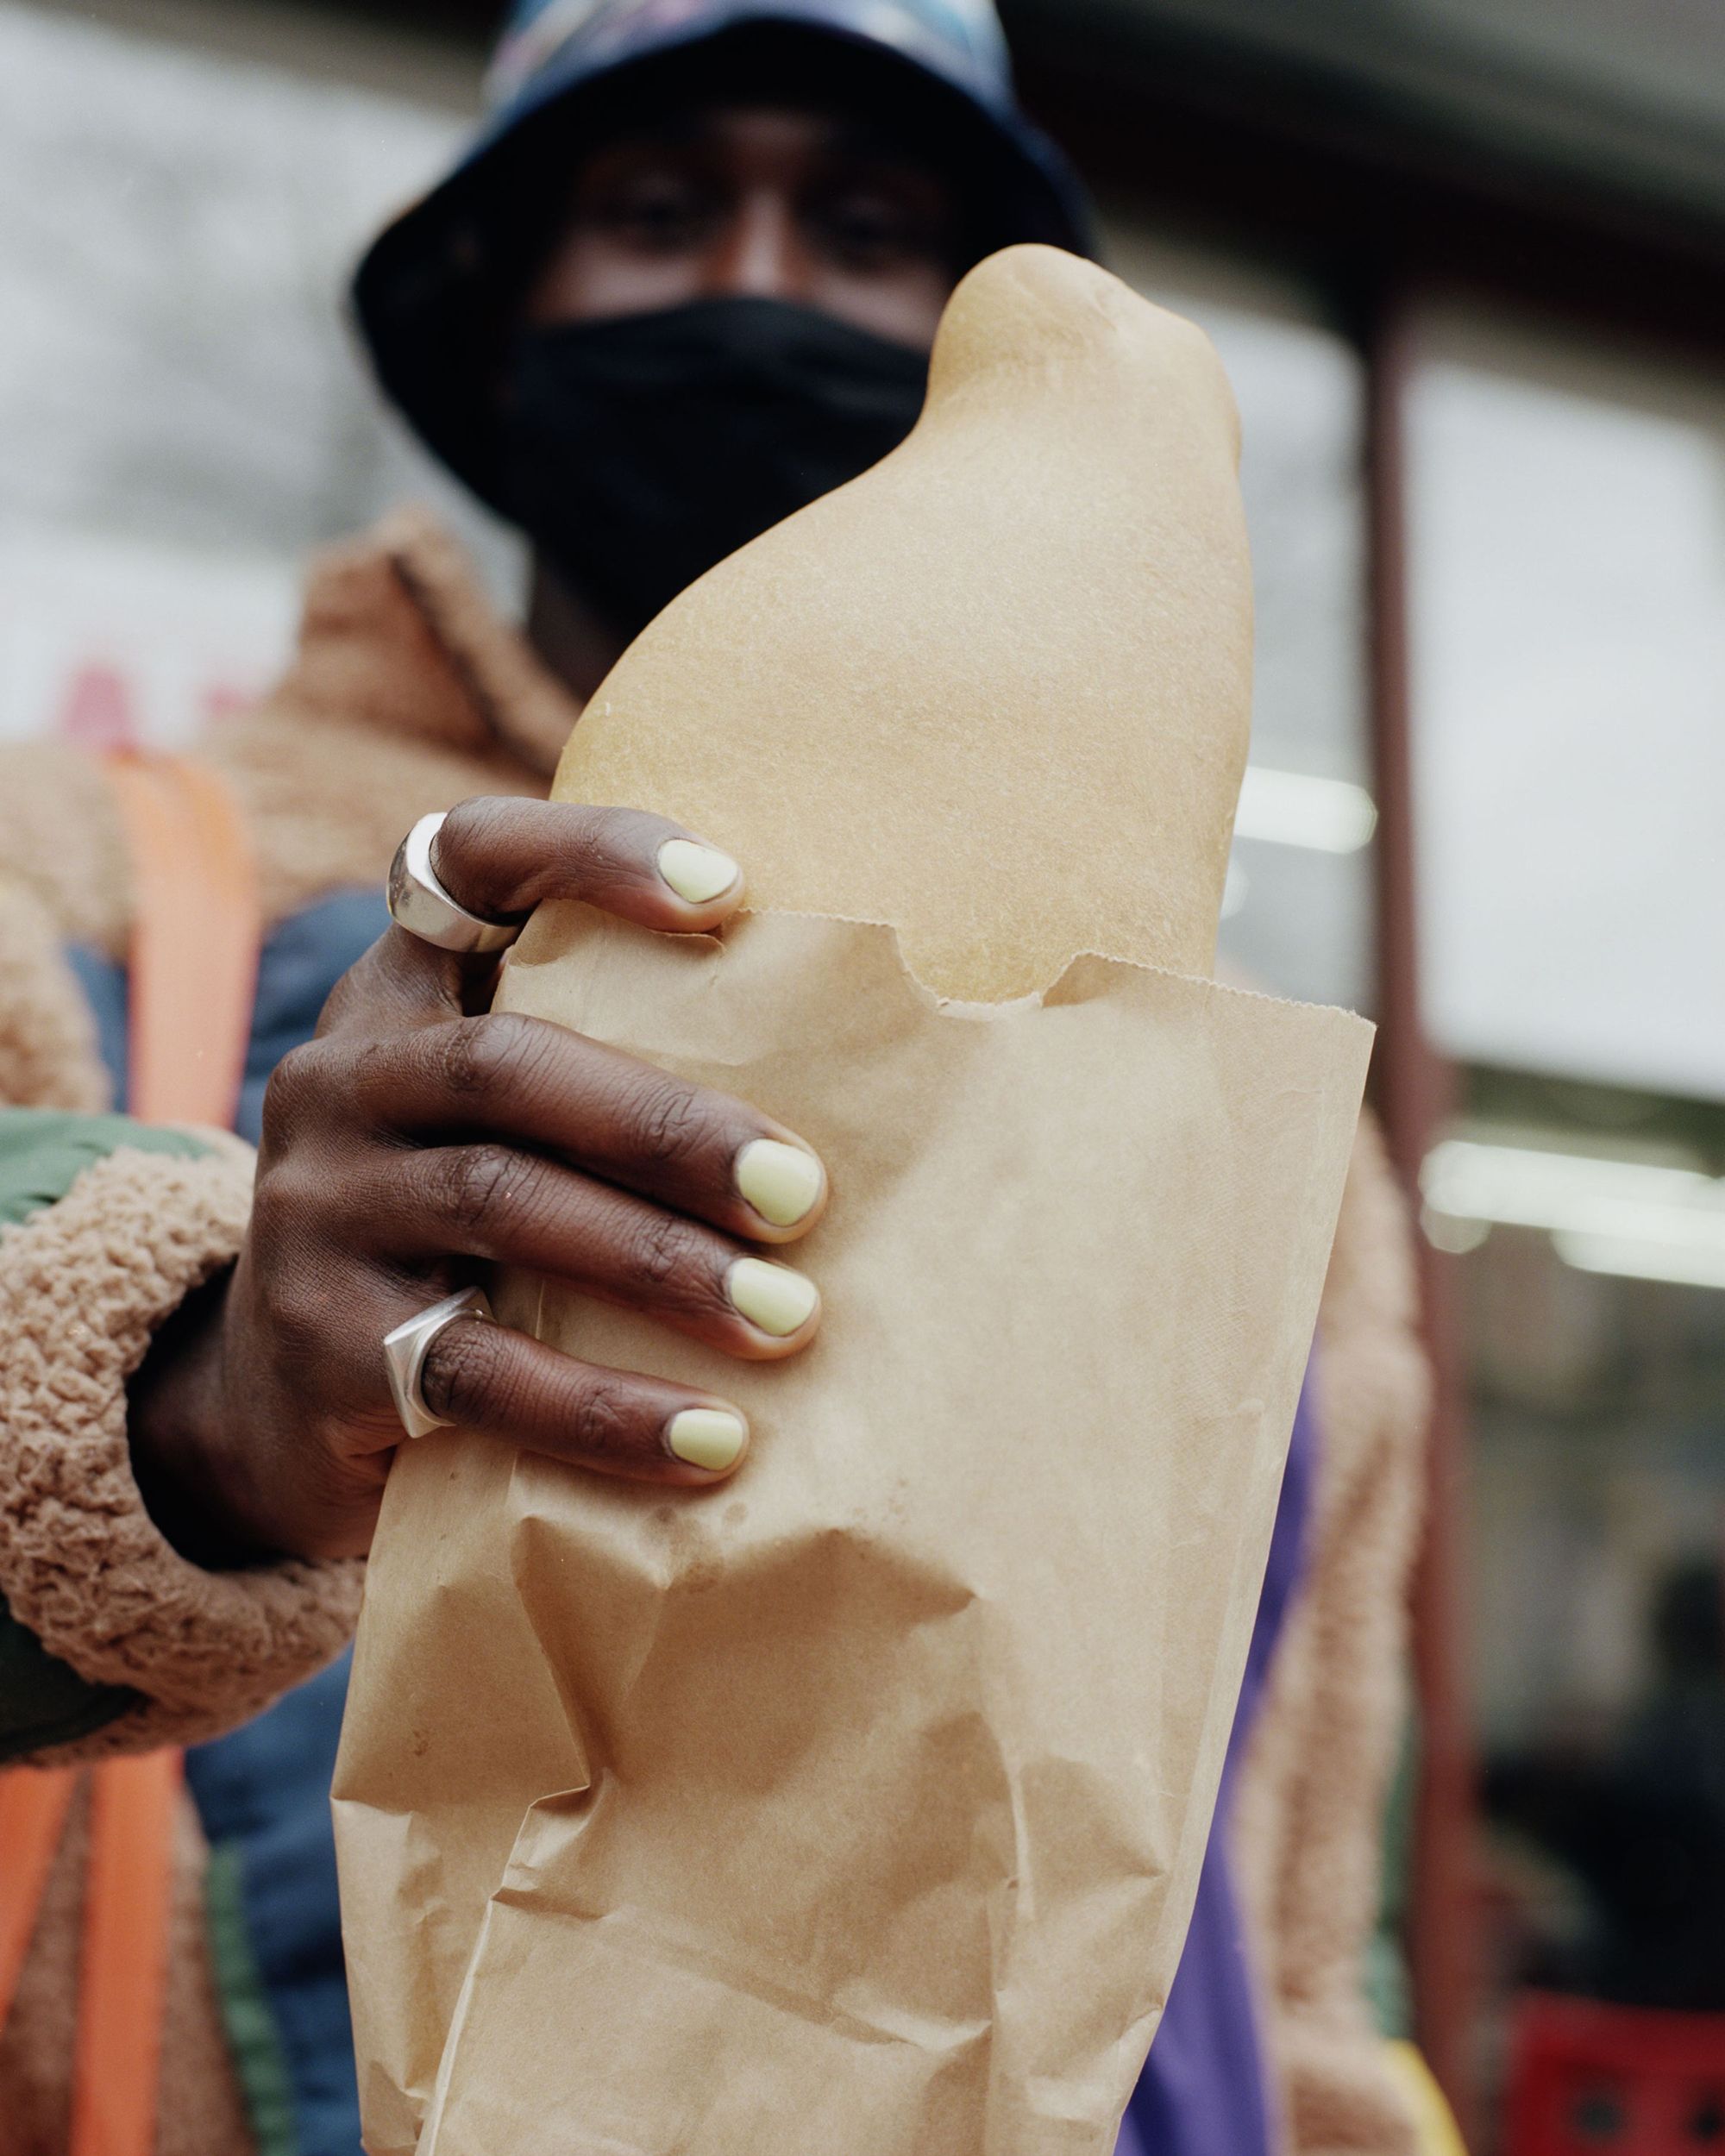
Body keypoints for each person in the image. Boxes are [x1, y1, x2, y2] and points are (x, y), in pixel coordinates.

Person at [0, 3, 1431, 2150]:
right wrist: (200, 1406)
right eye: (660, 212)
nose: (759, 283)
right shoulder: (101, 871)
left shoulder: (1208, 1099)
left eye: (861, 228)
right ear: (500, 320)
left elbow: (1282, 1899)